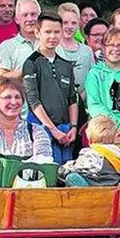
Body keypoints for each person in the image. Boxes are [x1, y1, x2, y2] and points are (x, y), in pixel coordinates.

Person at [20, 13, 79, 163]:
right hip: (41, 128)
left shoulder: (66, 65)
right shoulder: (31, 63)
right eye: (47, 32)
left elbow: (72, 98)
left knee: (66, 170)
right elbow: (33, 101)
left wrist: (73, 127)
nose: (52, 36)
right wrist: (53, 130)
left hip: (65, 130)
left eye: (57, 32)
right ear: (37, 33)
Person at [84, 29, 120, 134]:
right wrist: (117, 123)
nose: (116, 49)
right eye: (111, 45)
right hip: (101, 129)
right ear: (103, 47)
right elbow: (94, 104)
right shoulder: (95, 73)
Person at [60, 116, 120, 186]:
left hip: (95, 188)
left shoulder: (94, 153)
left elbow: (79, 167)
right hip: (112, 187)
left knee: (72, 177)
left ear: (90, 136)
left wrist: (63, 169)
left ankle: (84, 196)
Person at [0, 0, 43, 75]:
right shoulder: (7, 46)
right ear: (17, 19)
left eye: (33, 14)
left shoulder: (51, 43)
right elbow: (0, 79)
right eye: (25, 15)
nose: (30, 19)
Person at [54, 1, 94, 86]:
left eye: (73, 23)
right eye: (65, 22)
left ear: (79, 24)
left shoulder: (87, 51)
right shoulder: (52, 49)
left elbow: (92, 80)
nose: (69, 27)